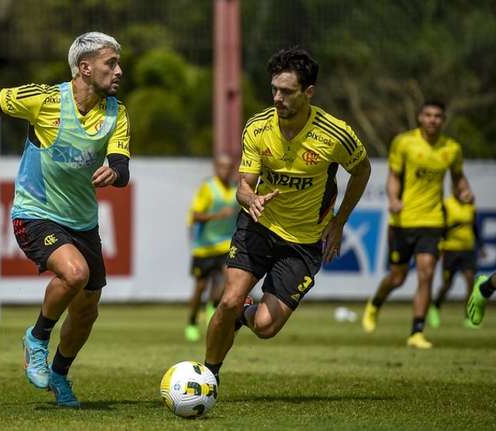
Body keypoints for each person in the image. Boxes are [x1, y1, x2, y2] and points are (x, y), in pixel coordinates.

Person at [0, 32, 130, 407]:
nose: (119, 71)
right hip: (35, 213)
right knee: (75, 273)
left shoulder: (116, 112)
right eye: (110, 63)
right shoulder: (46, 101)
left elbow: (121, 166)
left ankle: (60, 374)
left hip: (83, 222)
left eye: (117, 63)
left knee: (87, 310)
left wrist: (114, 172)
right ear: (84, 67)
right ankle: (37, 337)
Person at [203, 47, 371, 385]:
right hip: (258, 227)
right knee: (228, 300)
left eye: (287, 92)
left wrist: (339, 222)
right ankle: (207, 377)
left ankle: (243, 316)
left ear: (308, 92)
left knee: (265, 326)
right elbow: (243, 186)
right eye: (274, 89)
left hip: (304, 243)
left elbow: (362, 171)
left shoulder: (336, 135)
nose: (277, 98)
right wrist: (249, 198)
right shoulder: (258, 127)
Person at [362, 100, 474, 348]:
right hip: (404, 220)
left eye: (438, 116)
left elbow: (458, 179)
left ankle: (416, 332)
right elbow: (393, 176)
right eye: (428, 115)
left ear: (443, 120)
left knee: (427, 273)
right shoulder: (404, 142)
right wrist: (393, 199)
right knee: (397, 277)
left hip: (433, 221)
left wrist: (464, 191)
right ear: (420, 117)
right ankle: (375, 304)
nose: (433, 120)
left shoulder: (452, 148)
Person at [185, 154, 238, 342]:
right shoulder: (208, 188)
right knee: (201, 286)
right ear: (216, 168)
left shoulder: (235, 189)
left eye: (229, 166)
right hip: (204, 246)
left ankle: (212, 306)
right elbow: (196, 215)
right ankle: (192, 321)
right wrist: (218, 216)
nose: (226, 170)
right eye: (222, 166)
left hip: (225, 243)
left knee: (227, 280)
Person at [428, 195, 483, 328]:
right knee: (447, 284)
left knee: (470, 281)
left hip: (467, 249)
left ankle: (469, 316)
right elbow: (441, 227)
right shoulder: (447, 204)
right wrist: (440, 246)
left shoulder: (471, 206)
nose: (464, 191)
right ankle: (435, 307)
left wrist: (480, 246)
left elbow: (475, 227)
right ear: (455, 188)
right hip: (450, 249)